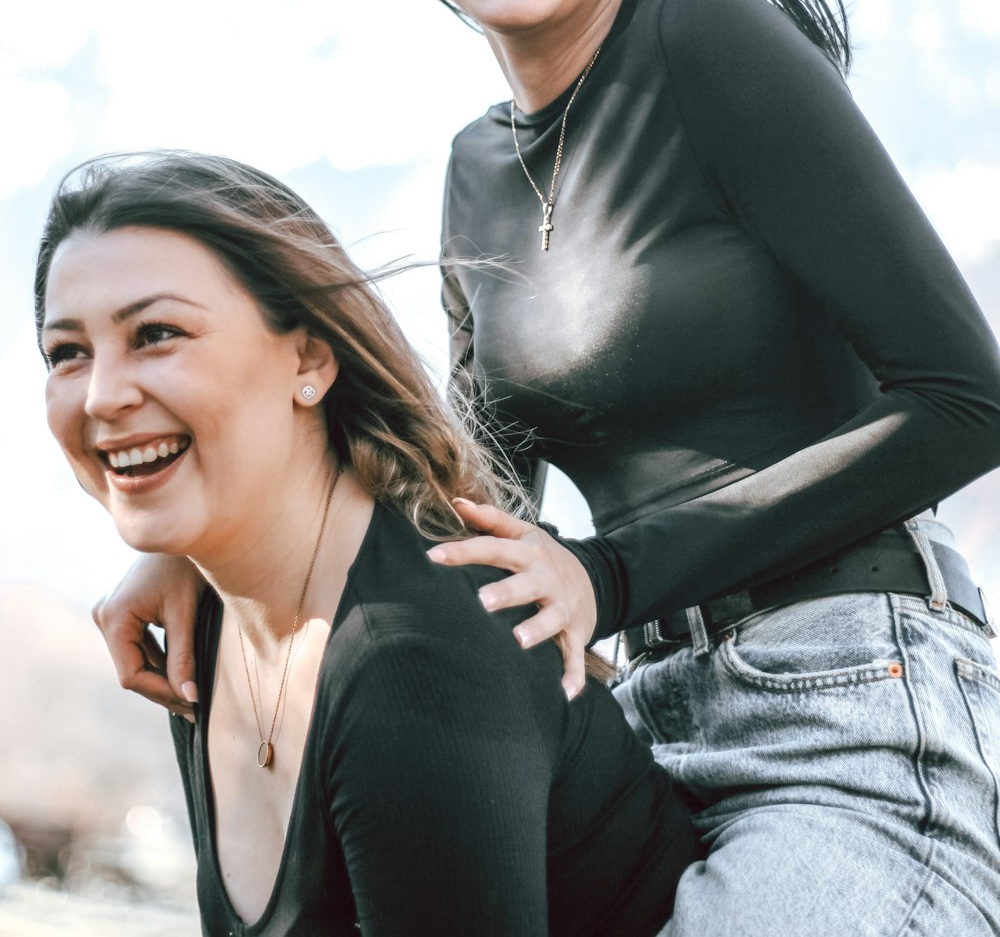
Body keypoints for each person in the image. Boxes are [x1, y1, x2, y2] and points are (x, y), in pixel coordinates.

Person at [96, 0, 1000, 933]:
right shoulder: (475, 169)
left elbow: (966, 399)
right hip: (635, 715)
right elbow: (469, 497)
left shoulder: (704, 36)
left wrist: (612, 573)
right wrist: (221, 554)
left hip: (849, 697)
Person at [37, 151, 699, 936]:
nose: (104, 395)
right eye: (67, 352)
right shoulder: (204, 623)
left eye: (156, 334)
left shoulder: (409, 661)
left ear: (310, 358)